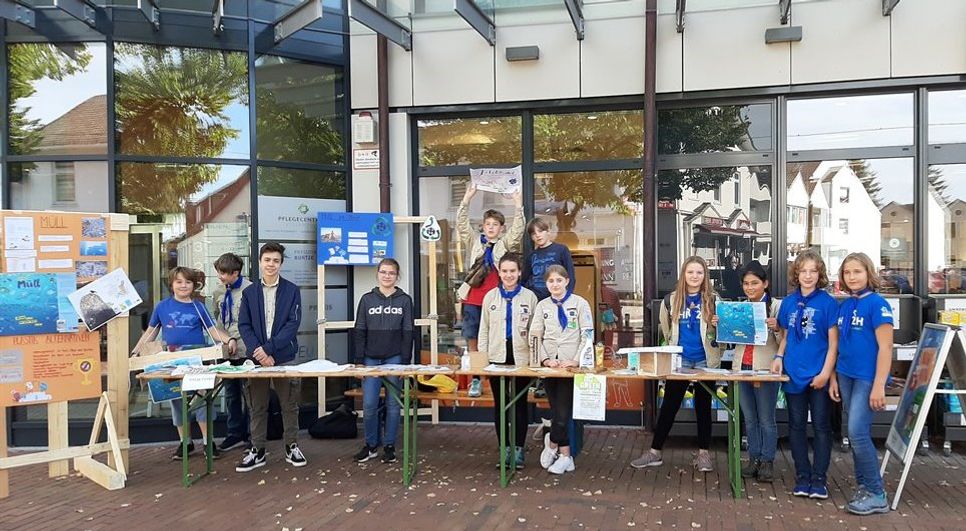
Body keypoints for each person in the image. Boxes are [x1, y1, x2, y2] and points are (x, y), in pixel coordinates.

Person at [630, 255, 721, 473]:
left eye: (699, 272)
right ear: (683, 274)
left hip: (705, 359)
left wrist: (718, 323)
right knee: (669, 405)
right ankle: (655, 452)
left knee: (703, 406)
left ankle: (703, 453)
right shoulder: (670, 300)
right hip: (680, 359)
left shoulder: (714, 300)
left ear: (705, 275)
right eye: (690, 272)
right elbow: (665, 329)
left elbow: (723, 332)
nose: (694, 276)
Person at [131, 267, 229, 460]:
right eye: (179, 282)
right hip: (172, 362)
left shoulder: (199, 307)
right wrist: (136, 352)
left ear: (193, 285)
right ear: (172, 284)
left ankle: (208, 442)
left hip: (198, 361)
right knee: (177, 401)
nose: (184, 286)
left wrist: (229, 340)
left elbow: (212, 331)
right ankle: (186, 442)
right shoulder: (162, 307)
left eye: (188, 282)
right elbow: (150, 332)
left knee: (202, 400)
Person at [772, 249, 839, 499]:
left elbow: (833, 344)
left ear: (820, 274)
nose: (808, 276)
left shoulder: (828, 303)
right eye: (803, 271)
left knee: (821, 426)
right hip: (793, 373)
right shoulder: (788, 303)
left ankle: (819, 478)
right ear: (796, 274)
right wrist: (779, 357)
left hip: (818, 374)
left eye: (813, 271)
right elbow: (787, 335)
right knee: (796, 426)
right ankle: (802, 476)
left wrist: (826, 373)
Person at [832, 252, 895, 515]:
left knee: (857, 432)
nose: (852, 277)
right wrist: (834, 377)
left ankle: (877, 494)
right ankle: (864, 487)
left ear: (869, 273)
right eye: (847, 272)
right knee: (854, 432)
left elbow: (886, 348)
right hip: (845, 375)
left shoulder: (878, 305)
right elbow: (839, 344)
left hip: (867, 378)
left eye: (857, 271)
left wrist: (879, 385)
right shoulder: (846, 305)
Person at [236, 242, 305, 472]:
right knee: (257, 406)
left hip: (284, 357)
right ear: (260, 262)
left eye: (276, 260)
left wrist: (270, 349)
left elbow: (292, 325)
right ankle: (257, 450)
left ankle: (292, 446)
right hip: (257, 359)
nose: (271, 264)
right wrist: (260, 351)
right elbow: (244, 325)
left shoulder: (292, 290)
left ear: (281, 264)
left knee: (289, 404)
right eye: (267, 260)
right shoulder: (249, 293)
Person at [457, 183, 524, 397]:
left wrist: (518, 204)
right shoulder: (474, 241)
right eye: (488, 224)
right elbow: (461, 224)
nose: (491, 227)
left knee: (495, 339)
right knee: (473, 339)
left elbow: (518, 230)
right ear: (483, 226)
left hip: (496, 300)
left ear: (501, 228)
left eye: (495, 224)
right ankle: (476, 379)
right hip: (473, 299)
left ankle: (496, 377)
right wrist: (467, 198)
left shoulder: (504, 244)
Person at [530, 265, 594, 475]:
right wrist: (545, 359)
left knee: (563, 413)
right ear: (546, 284)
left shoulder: (580, 303)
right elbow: (535, 335)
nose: (555, 284)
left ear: (567, 281)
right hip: (551, 367)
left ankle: (552, 443)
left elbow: (587, 335)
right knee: (557, 410)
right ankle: (566, 457)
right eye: (551, 281)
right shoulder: (542, 306)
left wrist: (576, 360)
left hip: (570, 367)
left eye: (559, 280)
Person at [478, 253, 539, 469]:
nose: (509, 275)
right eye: (504, 271)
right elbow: (483, 329)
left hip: (521, 357)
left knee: (520, 404)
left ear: (519, 272)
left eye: (513, 271)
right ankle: (504, 449)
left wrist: (535, 359)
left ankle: (519, 450)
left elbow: (535, 331)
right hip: (496, 357)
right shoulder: (490, 297)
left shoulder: (530, 297)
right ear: (499, 272)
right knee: (501, 404)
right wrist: (483, 358)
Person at [352, 258, 414, 465]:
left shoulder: (405, 300)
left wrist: (405, 362)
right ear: (377, 274)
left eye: (391, 273)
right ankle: (371, 445)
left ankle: (389, 446)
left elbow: (408, 332)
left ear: (397, 276)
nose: (387, 276)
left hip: (395, 357)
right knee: (369, 404)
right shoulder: (367, 299)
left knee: (393, 405)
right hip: (370, 358)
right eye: (383, 272)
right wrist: (359, 361)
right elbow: (359, 330)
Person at [734, 261, 782, 482]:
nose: (750, 287)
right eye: (746, 283)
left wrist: (777, 327)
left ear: (765, 283)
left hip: (765, 369)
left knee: (766, 419)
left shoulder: (776, 307)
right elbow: (729, 340)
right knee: (750, 419)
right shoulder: (740, 307)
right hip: (742, 367)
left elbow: (785, 341)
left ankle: (767, 461)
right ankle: (753, 459)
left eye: (754, 283)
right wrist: (720, 325)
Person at [212, 253, 252, 452]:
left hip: (245, 348)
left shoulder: (250, 289)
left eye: (224, 273)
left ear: (235, 273)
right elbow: (217, 317)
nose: (220, 277)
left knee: (250, 395)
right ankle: (234, 434)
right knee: (231, 394)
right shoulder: (218, 291)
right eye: (219, 272)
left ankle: (253, 436)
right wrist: (225, 340)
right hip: (226, 350)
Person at [521, 217, 575, 301]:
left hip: (558, 297)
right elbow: (524, 279)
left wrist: (567, 296)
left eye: (540, 231)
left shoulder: (561, 250)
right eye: (533, 233)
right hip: (536, 299)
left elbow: (570, 275)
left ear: (548, 231)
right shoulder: (531, 256)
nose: (537, 235)